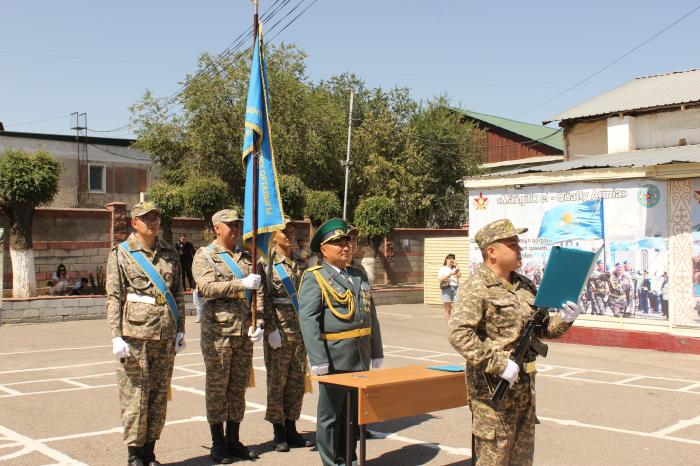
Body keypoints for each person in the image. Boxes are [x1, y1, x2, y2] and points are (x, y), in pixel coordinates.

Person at [448, 219, 581, 466]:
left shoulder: (524, 285)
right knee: (495, 461)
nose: (519, 248)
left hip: (524, 392)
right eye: (512, 244)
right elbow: (459, 334)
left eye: (518, 243)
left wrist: (564, 319)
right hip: (492, 393)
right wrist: (499, 364)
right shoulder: (476, 287)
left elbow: (542, 329)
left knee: (521, 461)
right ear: (492, 252)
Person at [106, 201, 186, 466]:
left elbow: (177, 293)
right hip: (134, 335)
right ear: (134, 223)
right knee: (135, 396)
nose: (152, 223)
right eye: (146, 218)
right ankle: (134, 454)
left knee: (158, 396)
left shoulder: (170, 252)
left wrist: (180, 328)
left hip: (164, 334)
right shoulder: (122, 253)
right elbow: (114, 296)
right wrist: (115, 335)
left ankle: (150, 451)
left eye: (155, 218)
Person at [298, 218, 384, 466]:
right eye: (338, 243)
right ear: (323, 249)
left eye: (347, 241)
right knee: (331, 416)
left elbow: (370, 314)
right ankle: (331, 461)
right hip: (333, 358)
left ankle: (349, 457)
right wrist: (318, 360)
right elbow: (309, 321)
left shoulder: (358, 274)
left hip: (360, 356)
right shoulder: (315, 277)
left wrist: (376, 350)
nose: (345, 247)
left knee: (353, 414)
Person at [191, 209, 263, 464]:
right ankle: (218, 442)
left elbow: (259, 291)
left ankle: (234, 439)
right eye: (230, 225)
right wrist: (240, 285)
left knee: (237, 388)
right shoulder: (205, 256)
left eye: (237, 224)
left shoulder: (247, 257)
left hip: (244, 332)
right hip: (218, 334)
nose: (235, 229)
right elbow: (206, 287)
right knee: (217, 389)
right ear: (217, 228)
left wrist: (260, 321)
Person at [258, 217, 314, 452]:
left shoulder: (301, 264)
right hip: (279, 330)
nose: (289, 235)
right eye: (284, 232)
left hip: (299, 331)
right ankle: (278, 430)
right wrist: (270, 329)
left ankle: (292, 427)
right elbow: (263, 298)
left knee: (296, 382)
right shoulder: (266, 263)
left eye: (291, 231)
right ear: (274, 236)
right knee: (277, 382)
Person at [438, 254, 461, 319]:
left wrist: (457, 266)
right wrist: (450, 274)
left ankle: (455, 324)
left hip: (455, 288)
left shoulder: (454, 268)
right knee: (448, 309)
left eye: (453, 258)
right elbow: (440, 279)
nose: (451, 260)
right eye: (450, 258)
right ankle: (449, 326)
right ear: (446, 260)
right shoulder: (442, 268)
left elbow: (459, 275)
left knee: (457, 308)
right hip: (446, 288)